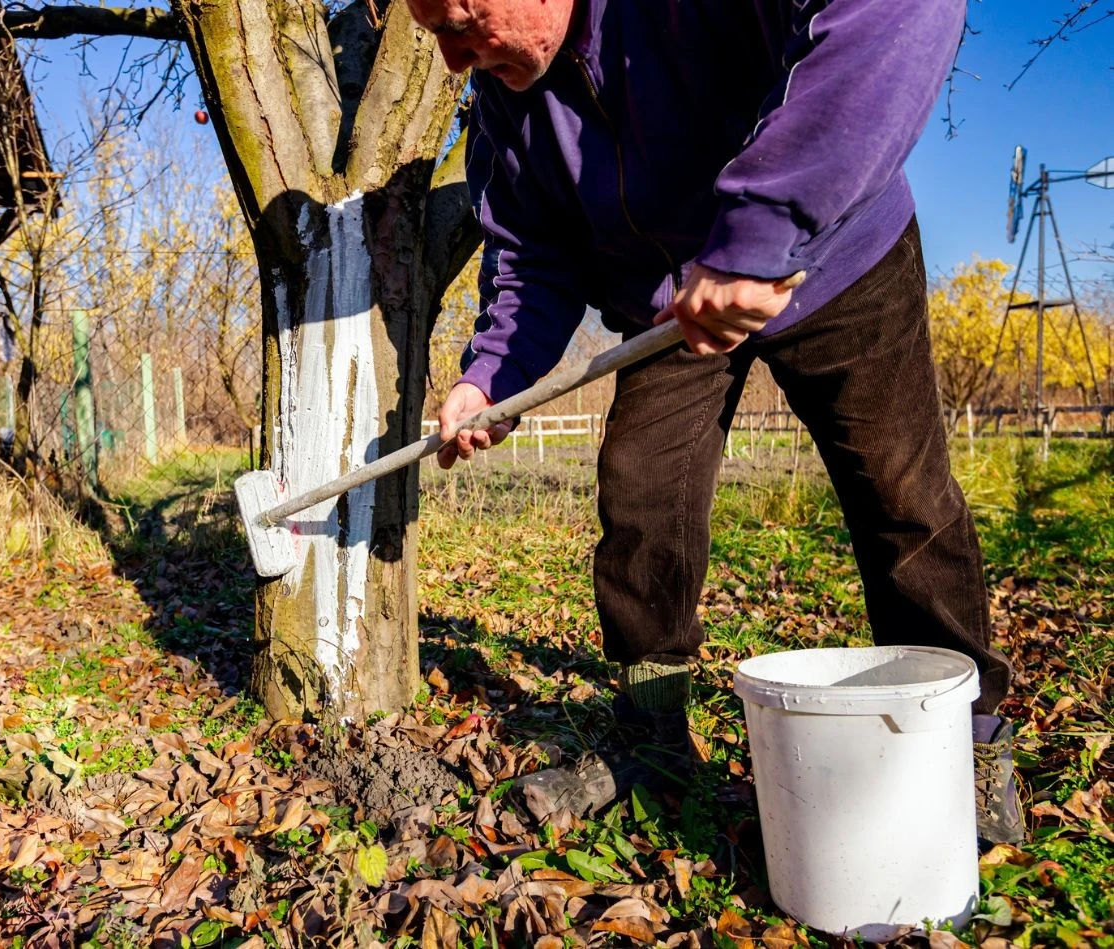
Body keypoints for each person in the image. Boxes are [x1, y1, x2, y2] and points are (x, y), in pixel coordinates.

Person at [405, 0, 1022, 845]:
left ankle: (971, 741)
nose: (450, 58)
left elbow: (900, 10)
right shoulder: (508, 104)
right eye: (434, 33)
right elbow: (531, 256)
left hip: (840, 258)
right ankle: (652, 740)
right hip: (669, 312)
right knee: (642, 497)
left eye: (461, 21)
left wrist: (761, 233)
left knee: (903, 495)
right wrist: (489, 379)